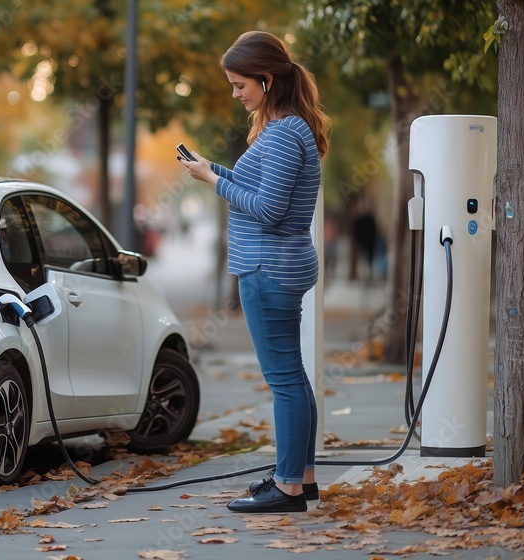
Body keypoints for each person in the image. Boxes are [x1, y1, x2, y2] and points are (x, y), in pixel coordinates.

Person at [178, 30, 330, 514]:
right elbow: (258, 185)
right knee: (294, 376)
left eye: (240, 84)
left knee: (284, 380)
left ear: (266, 80)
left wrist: (212, 183)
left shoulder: (284, 132)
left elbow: (267, 208)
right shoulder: (291, 127)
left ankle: (286, 488)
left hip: (269, 267)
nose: (235, 93)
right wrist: (213, 169)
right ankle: (300, 478)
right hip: (280, 264)